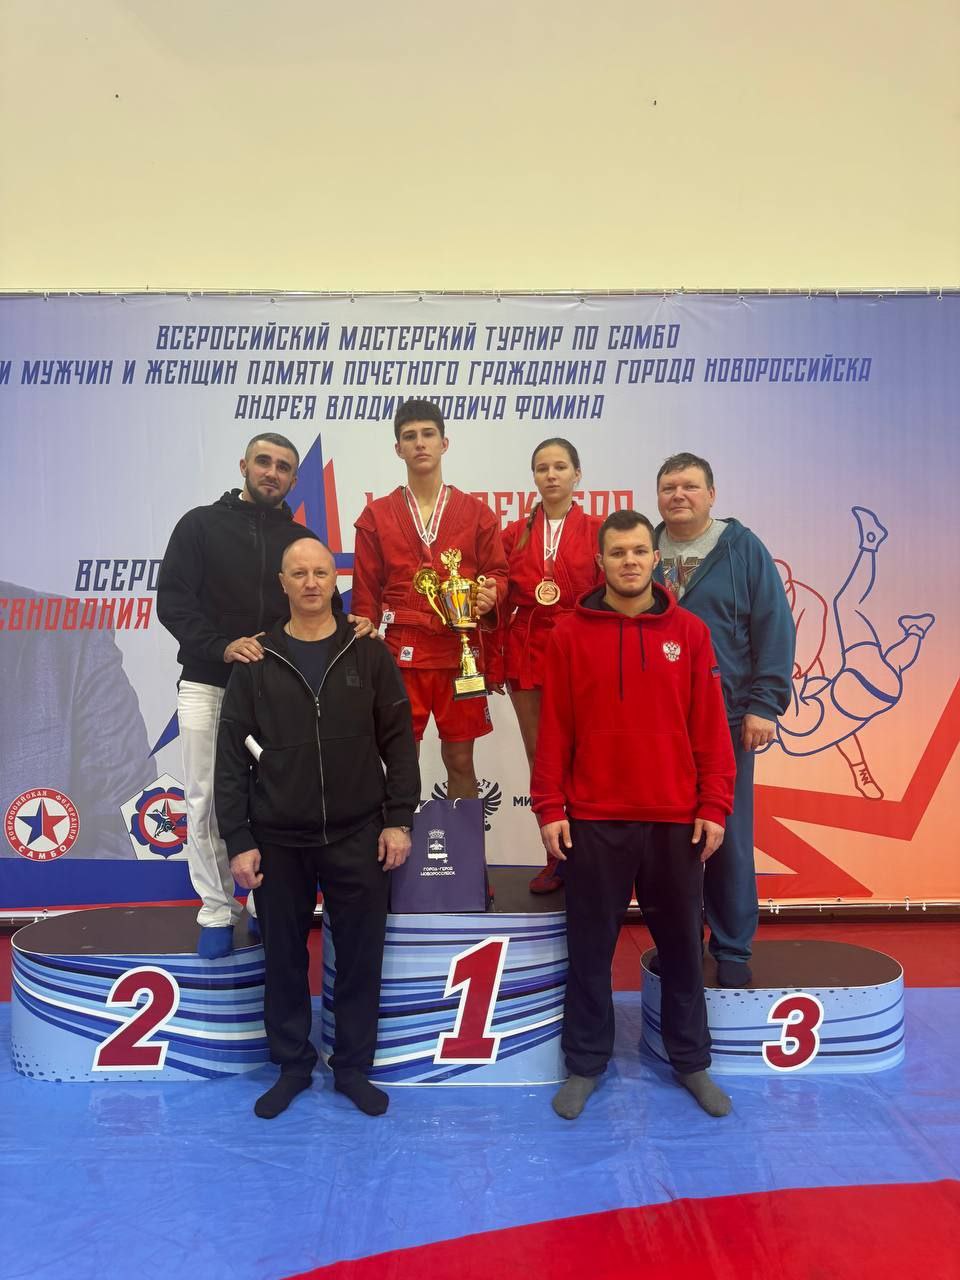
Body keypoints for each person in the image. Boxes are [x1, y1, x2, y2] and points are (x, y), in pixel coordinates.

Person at [532, 510, 735, 1120]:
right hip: (594, 820)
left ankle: (691, 1061)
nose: (629, 561)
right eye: (617, 552)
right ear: (600, 561)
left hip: (675, 820)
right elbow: (554, 730)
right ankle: (585, 1064)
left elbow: (710, 727)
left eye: (639, 551)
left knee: (683, 949)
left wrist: (715, 803)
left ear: (655, 558)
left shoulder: (690, 633)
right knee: (590, 950)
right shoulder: (568, 635)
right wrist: (549, 806)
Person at [215, 537, 420, 1119]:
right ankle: (292, 1065)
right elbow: (229, 759)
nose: (310, 583)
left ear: (336, 581)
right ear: (282, 583)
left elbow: (399, 741)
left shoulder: (368, 652)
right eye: (299, 573)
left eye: (321, 573)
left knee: (359, 957)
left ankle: (352, 1067)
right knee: (282, 958)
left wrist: (399, 820)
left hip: (359, 833)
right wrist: (239, 839)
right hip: (279, 838)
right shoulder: (257, 661)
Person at [157, 432, 369, 959]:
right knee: (205, 798)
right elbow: (174, 602)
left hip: (276, 687)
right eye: (263, 462)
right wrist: (220, 646)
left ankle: (259, 903)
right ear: (244, 465)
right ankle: (215, 909)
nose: (272, 472)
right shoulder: (200, 525)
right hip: (208, 682)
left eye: (283, 467)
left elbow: (321, 610)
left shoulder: (298, 540)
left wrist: (352, 627)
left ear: (294, 480)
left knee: (271, 800)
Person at [654, 452, 794, 988]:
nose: (678, 495)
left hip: (729, 715)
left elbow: (774, 625)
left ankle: (733, 946)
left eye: (690, 486)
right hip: (658, 721)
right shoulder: (645, 549)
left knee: (728, 833)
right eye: (669, 487)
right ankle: (681, 940)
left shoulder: (742, 548)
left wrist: (765, 704)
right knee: (671, 839)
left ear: (712, 494)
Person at [351, 399, 508, 801]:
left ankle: (464, 843)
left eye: (428, 434)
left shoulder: (477, 513)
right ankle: (398, 842)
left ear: (444, 443)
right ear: (398, 448)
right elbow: (365, 594)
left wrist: (490, 594)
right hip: (400, 654)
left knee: (461, 760)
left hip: (460, 651)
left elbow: (498, 574)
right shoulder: (376, 516)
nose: (420, 443)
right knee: (402, 759)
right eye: (410, 437)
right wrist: (363, 648)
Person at [492, 438, 603, 893]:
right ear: (534, 476)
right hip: (528, 653)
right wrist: (494, 661)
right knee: (542, 759)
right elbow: (498, 601)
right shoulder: (512, 534)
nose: (551, 475)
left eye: (560, 466)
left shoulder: (599, 530)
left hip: (583, 652)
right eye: (542, 468)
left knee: (589, 755)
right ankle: (555, 858)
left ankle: (595, 857)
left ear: (577, 474)